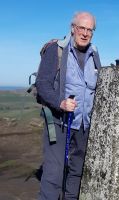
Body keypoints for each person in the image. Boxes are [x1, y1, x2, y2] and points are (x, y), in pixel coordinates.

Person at [36, 11, 101, 200]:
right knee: (54, 174)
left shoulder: (94, 53)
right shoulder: (56, 50)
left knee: (76, 172)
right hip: (58, 122)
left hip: (83, 124)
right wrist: (60, 103)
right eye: (82, 28)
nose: (85, 33)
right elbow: (42, 84)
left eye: (90, 30)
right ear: (73, 29)